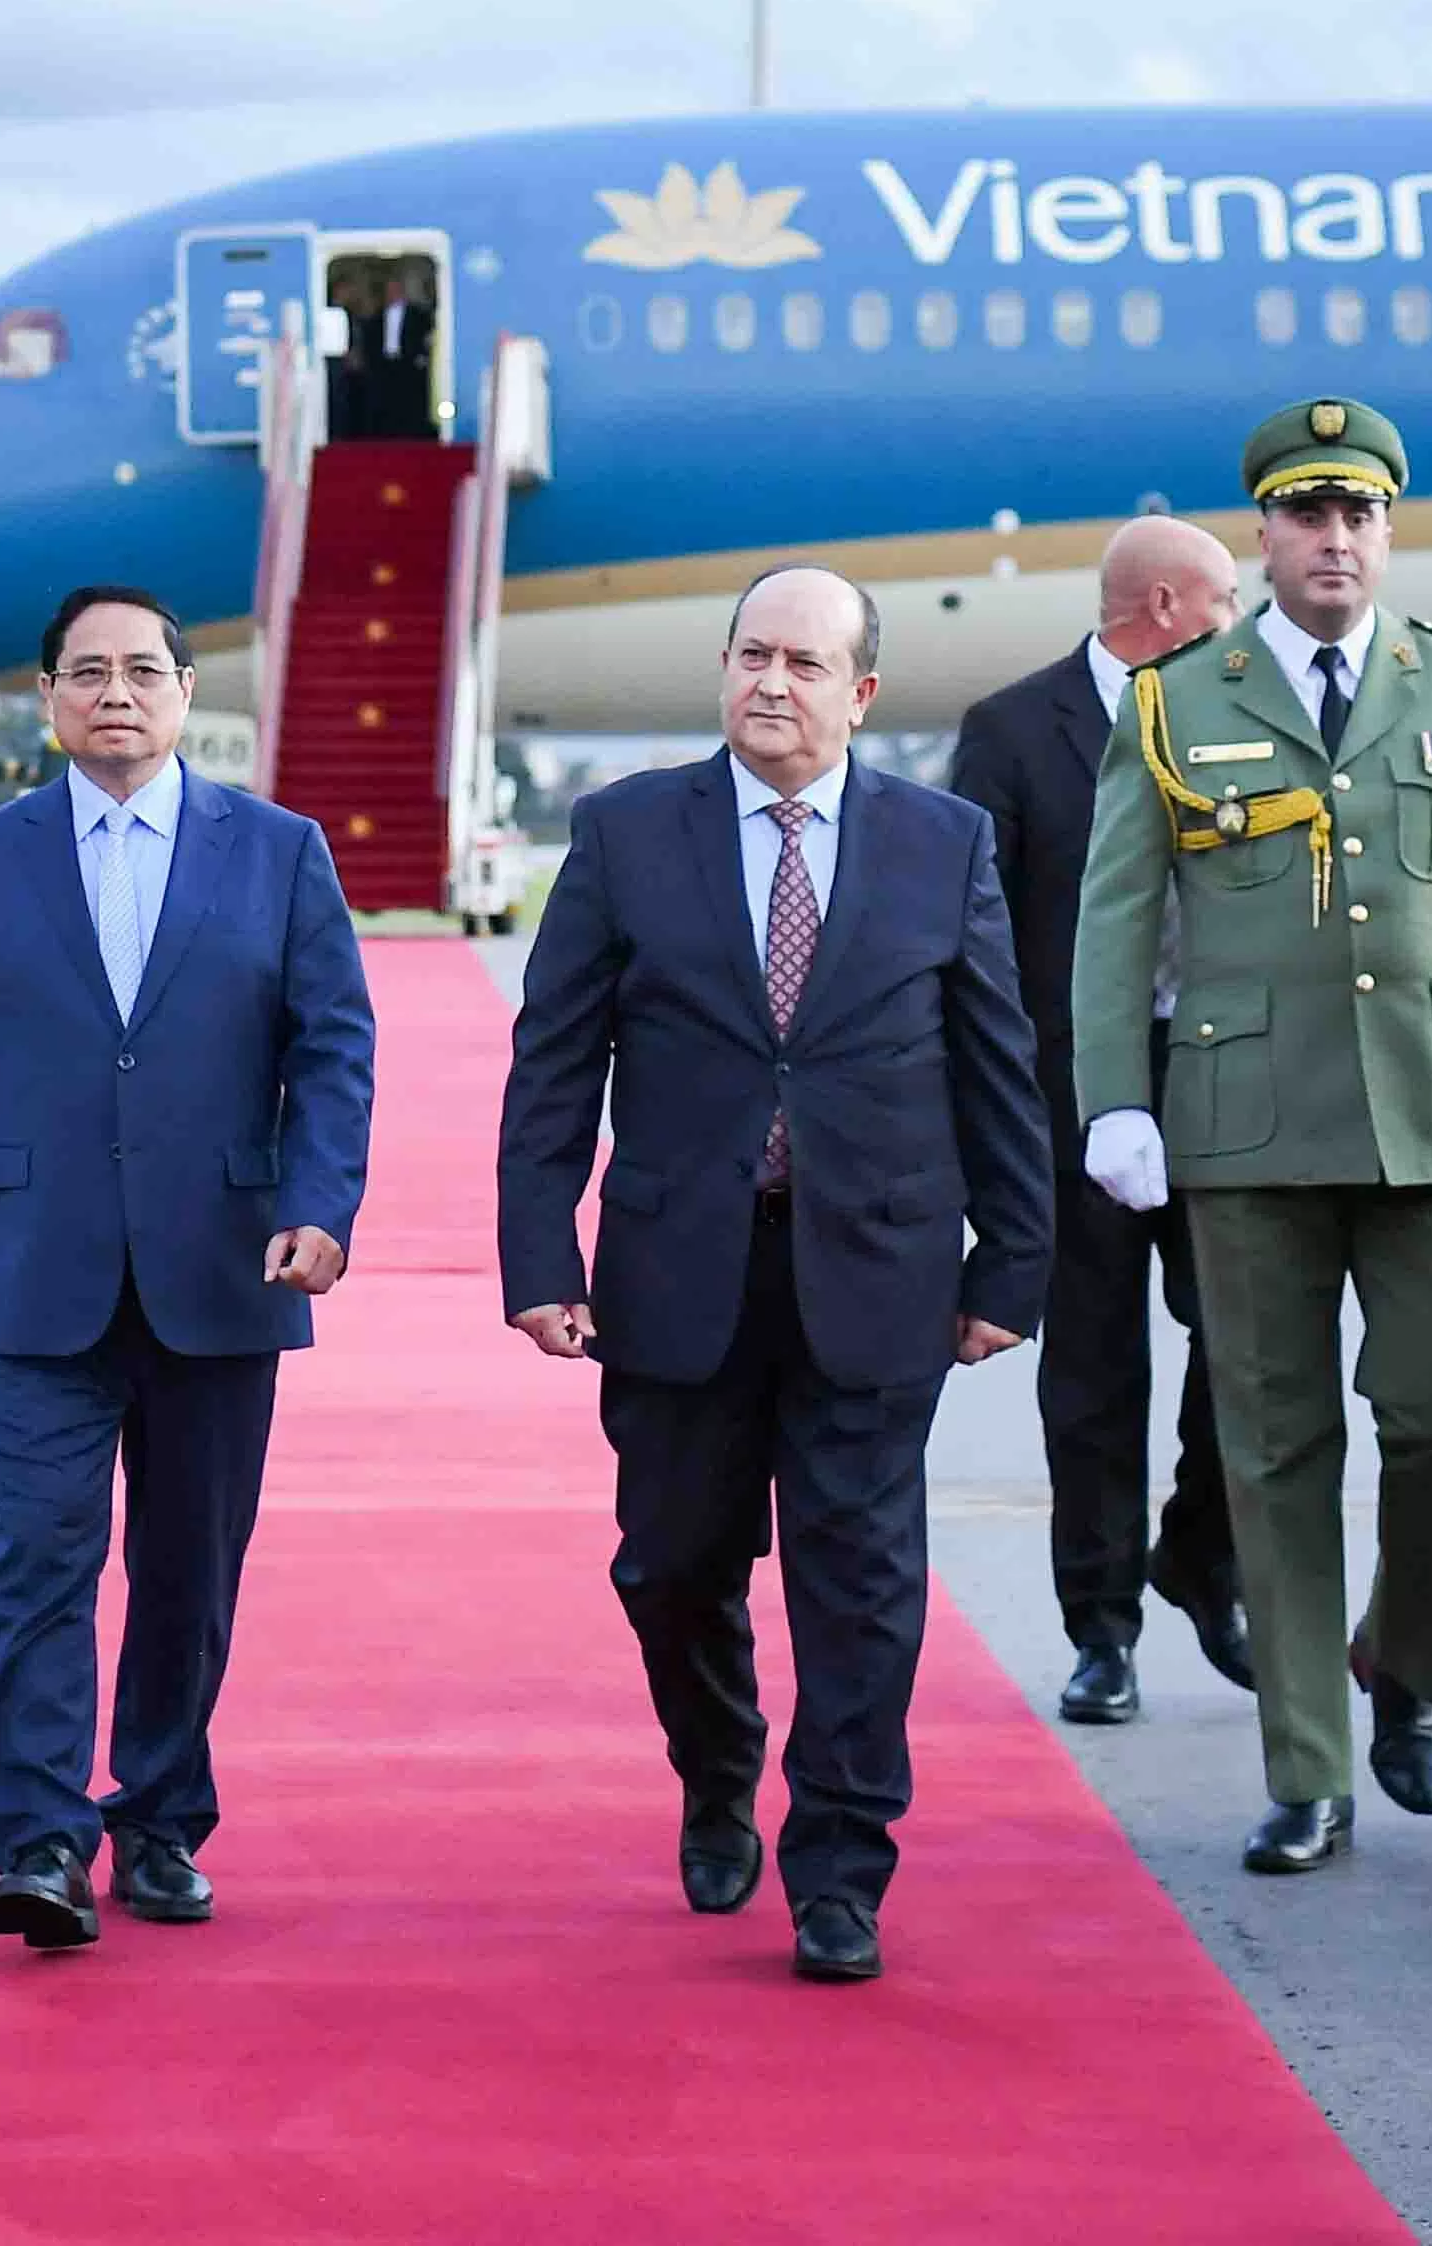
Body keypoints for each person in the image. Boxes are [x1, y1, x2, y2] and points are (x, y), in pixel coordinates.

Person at [500, 566, 1048, 1982]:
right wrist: (535, 1253)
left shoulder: (944, 843)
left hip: (881, 1271)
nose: (770, 683)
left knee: (859, 1582)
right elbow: (554, 1061)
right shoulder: (627, 832)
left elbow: (998, 1066)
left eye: (805, 663)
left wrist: (1016, 1261)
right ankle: (715, 1764)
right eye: (752, 654)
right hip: (679, 1275)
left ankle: (841, 1868)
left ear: (860, 692)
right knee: (673, 1568)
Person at [1072, 396, 1432, 1875]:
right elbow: (1116, 915)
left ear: (1388, 530)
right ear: (1261, 533)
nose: (1336, 540)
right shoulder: (1175, 697)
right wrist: (1113, 1100)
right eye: (1308, 515)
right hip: (1246, 1130)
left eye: (1361, 515)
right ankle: (1310, 1769)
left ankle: (1403, 1669)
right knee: (1274, 1451)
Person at [0, 582, 374, 1951]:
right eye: (87, 672)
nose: (116, 692)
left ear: (184, 698)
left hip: (224, 1270)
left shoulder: (277, 852)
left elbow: (333, 1046)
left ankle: (158, 1815)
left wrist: (318, 1202)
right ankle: (41, 1839)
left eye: (143, 671)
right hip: (29, 1267)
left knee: (186, 1567)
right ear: (48, 699)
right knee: (43, 1551)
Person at [945, 516, 1253, 1724]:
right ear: (1168, 604)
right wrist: (987, 1117)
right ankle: (1104, 1624)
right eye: (1226, 597)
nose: (1241, 617)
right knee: (1091, 1370)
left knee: (1245, 1347)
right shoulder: (1016, 732)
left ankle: (1198, 1549)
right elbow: (969, 940)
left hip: (1228, 1089)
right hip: (1068, 1102)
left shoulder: (1243, 716)